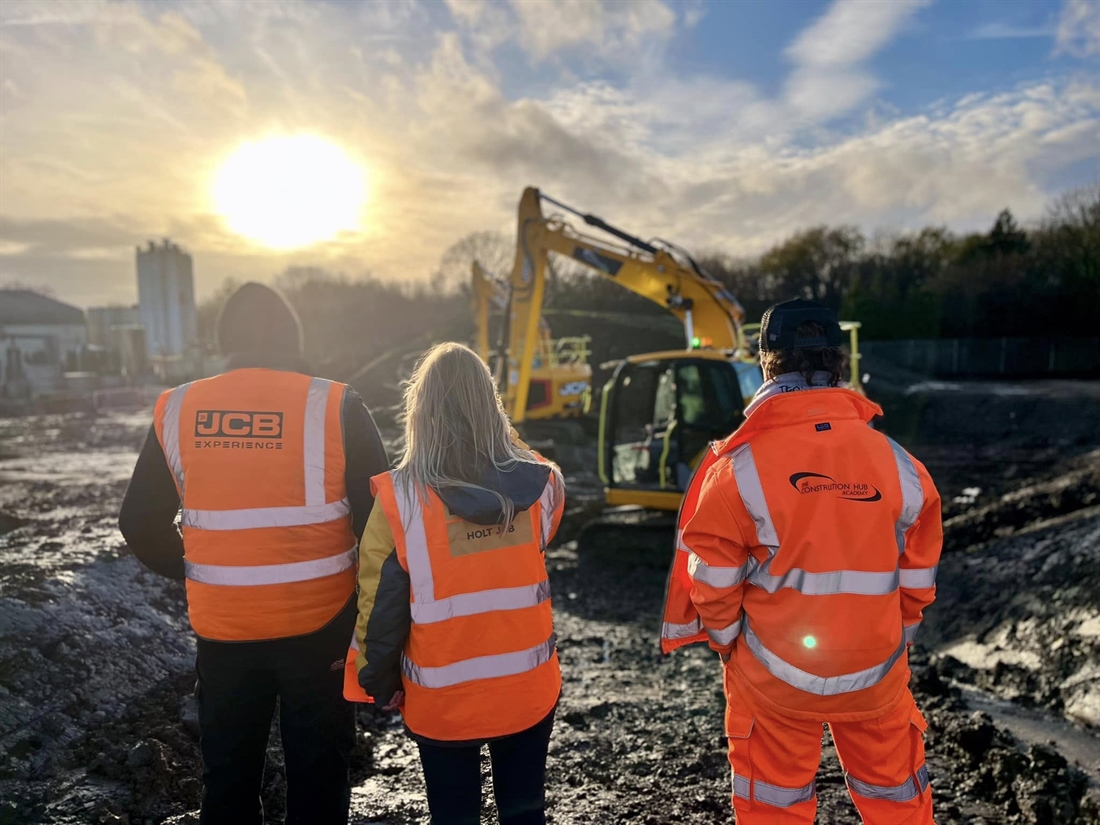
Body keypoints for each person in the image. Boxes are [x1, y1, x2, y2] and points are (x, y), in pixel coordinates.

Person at [660, 298, 942, 825]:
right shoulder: (902, 466)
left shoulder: (736, 470)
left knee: (774, 808)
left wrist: (726, 644)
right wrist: (894, 634)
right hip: (877, 672)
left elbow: (714, 586)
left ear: (767, 362)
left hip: (774, 677)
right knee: (898, 803)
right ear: (838, 362)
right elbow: (918, 580)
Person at [119, 282, 389, 825]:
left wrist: (203, 570)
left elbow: (138, 524)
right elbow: (381, 527)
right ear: (293, 337)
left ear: (224, 339)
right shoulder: (336, 404)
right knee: (319, 774)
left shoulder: (179, 408)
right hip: (320, 627)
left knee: (229, 777)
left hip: (224, 628)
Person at [347, 342, 564, 825]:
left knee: (453, 816)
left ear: (420, 413)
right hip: (527, 691)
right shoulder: (543, 485)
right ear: (492, 406)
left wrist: (379, 683)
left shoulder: (398, 500)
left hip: (443, 701)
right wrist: (495, 433)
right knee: (525, 810)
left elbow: (378, 609)